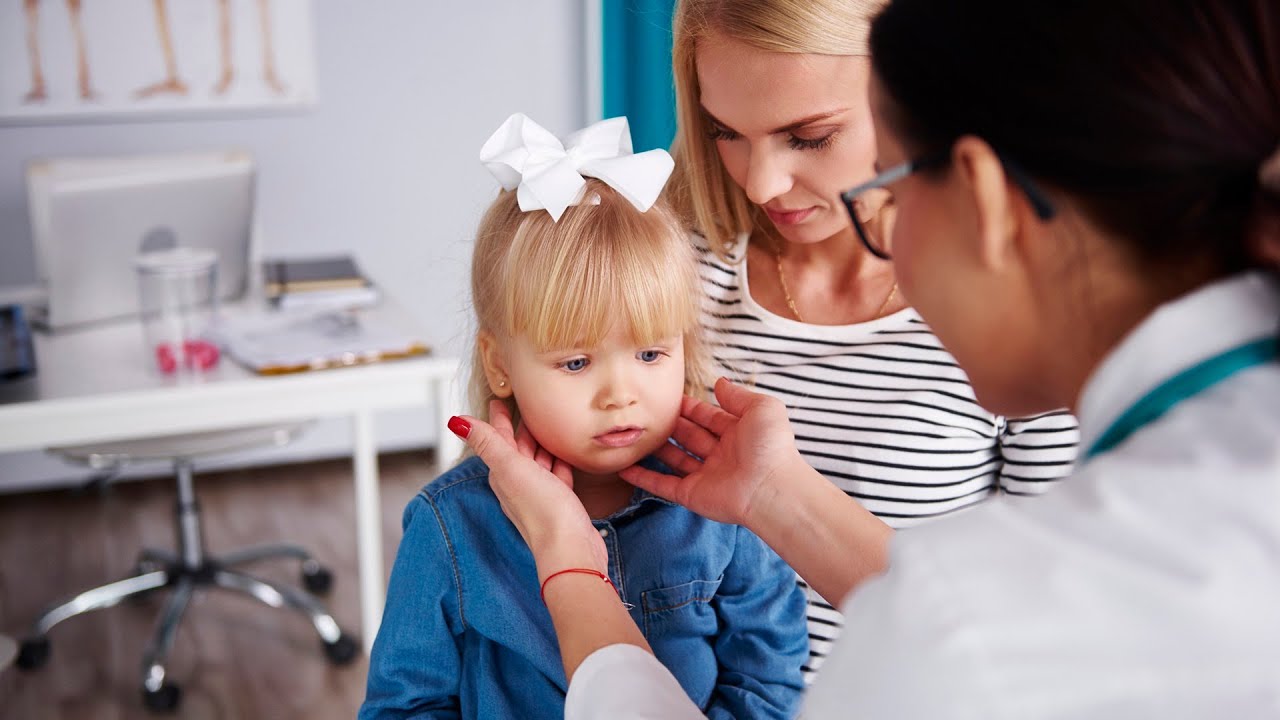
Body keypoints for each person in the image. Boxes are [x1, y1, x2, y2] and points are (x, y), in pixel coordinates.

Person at [448, 0, 1280, 716]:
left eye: (888, 188)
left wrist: (569, 569)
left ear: (983, 198)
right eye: (726, 134)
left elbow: (954, 630)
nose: (766, 183)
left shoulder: (957, 628)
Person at [666, 0, 1080, 676]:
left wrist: (781, 497)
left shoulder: (1019, 314)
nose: (763, 181)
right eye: (726, 131)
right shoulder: (677, 264)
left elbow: (1041, 641)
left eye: (808, 136)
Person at [359, 113, 808, 720]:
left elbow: (767, 678)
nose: (620, 395)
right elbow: (404, 706)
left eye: (651, 353)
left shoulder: (724, 513)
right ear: (500, 365)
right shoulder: (450, 526)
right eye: (575, 363)